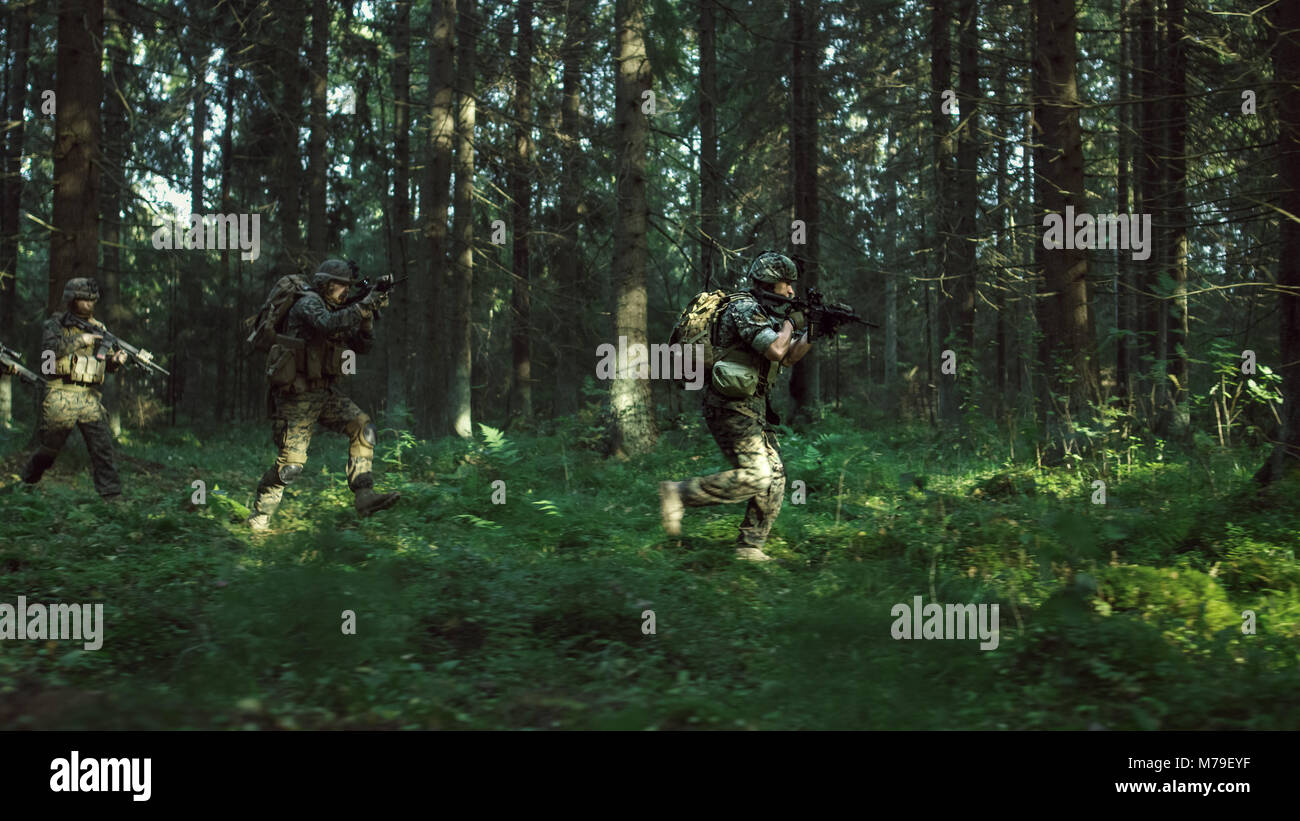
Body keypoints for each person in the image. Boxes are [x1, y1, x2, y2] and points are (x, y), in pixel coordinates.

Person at [659, 252, 815, 561]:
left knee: (776, 476)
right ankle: (678, 493)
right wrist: (790, 322)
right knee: (757, 475)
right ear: (771, 282)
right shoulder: (743, 308)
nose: (792, 292)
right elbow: (775, 348)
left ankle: (749, 547)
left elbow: (789, 356)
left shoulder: (764, 314)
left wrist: (814, 330)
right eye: (787, 285)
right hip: (729, 407)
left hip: (753, 408)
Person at [247, 259, 400, 530]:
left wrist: (368, 315)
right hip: (296, 397)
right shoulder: (308, 303)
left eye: (347, 286)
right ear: (326, 284)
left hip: (325, 393)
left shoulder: (341, 309)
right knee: (290, 467)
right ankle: (259, 517)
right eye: (340, 285)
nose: (344, 290)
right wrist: (364, 304)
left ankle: (364, 495)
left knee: (363, 427)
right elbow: (328, 324)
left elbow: (363, 347)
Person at [19, 278, 128, 501]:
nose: (89, 305)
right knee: (49, 450)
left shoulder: (100, 328)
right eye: (84, 300)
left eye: (92, 301)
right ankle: (26, 484)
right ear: (71, 299)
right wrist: (81, 339)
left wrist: (115, 361)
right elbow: (48, 358)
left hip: (89, 396)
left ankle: (112, 497)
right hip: (60, 394)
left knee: (102, 447)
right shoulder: (55, 325)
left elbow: (105, 364)